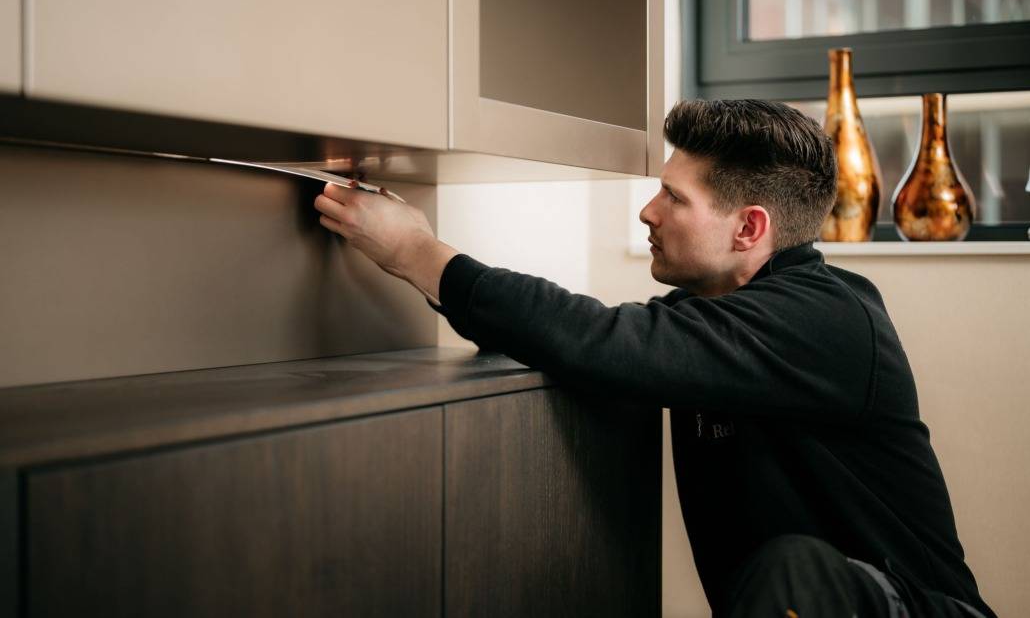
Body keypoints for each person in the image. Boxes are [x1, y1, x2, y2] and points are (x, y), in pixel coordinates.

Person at [313, 99, 995, 618]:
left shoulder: (829, 317)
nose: (648, 209)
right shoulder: (711, 323)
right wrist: (426, 264)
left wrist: (416, 253)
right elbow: (583, 337)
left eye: (674, 196)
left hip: (903, 606)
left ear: (749, 226)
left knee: (796, 567)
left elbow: (604, 339)